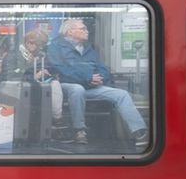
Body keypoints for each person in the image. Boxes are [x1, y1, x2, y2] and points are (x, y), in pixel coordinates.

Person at [46, 18, 149, 146]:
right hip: (66, 87)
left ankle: (139, 132)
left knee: (121, 94)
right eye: (83, 29)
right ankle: (80, 130)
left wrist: (100, 78)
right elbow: (61, 70)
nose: (87, 31)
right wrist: (88, 77)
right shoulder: (55, 47)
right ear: (70, 31)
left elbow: (102, 68)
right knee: (77, 89)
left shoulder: (88, 48)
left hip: (90, 86)